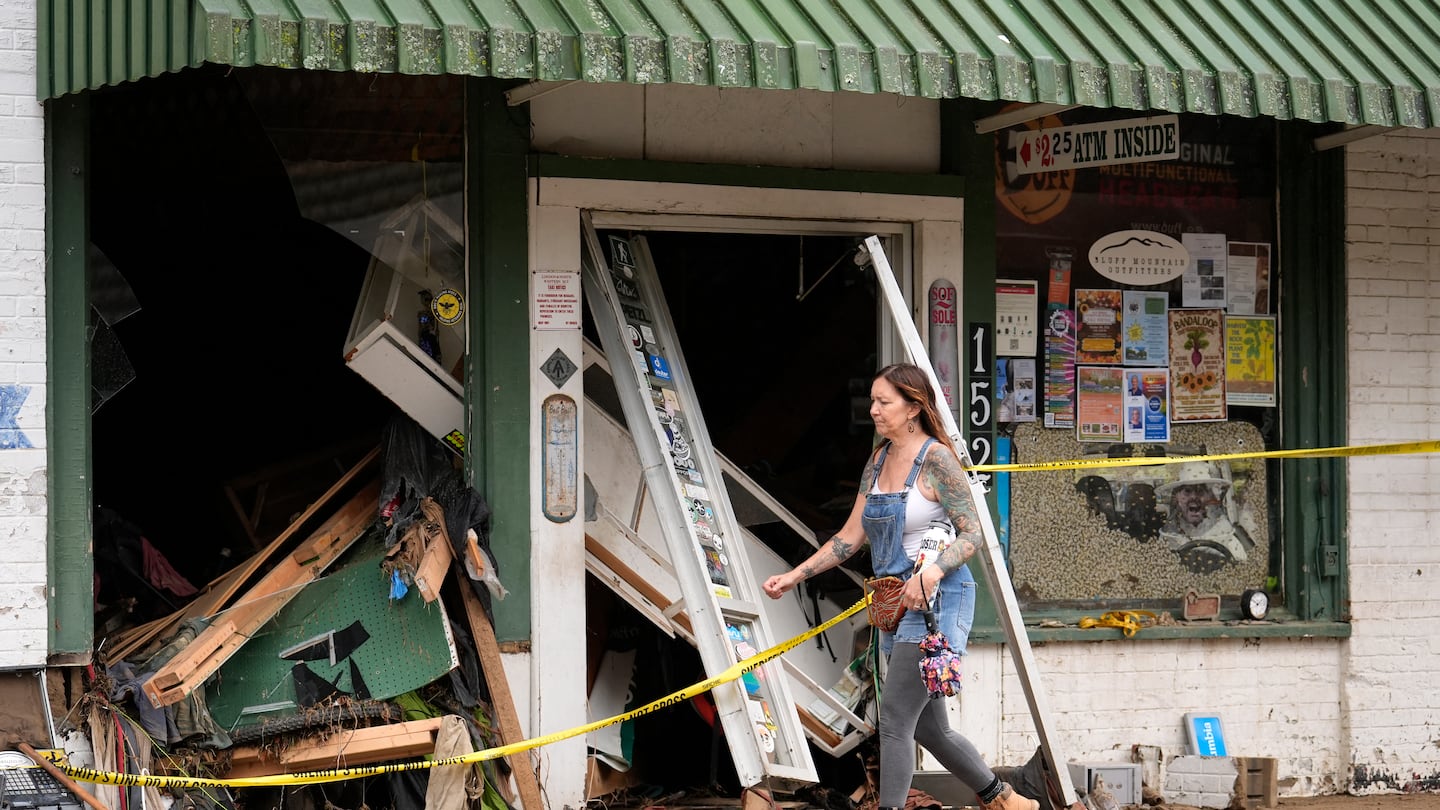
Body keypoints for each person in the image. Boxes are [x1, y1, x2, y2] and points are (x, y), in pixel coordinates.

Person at [762, 363, 1039, 810]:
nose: (873, 410)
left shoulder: (938, 461)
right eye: (872, 400)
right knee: (930, 729)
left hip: (939, 602)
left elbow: (973, 533)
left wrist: (930, 573)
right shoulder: (877, 461)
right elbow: (850, 536)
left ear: (913, 407)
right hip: (895, 604)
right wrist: (796, 574)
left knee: (893, 721)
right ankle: (1007, 800)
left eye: (883, 402)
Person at [1158, 462, 1254, 573]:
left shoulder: (1227, 536)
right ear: (1178, 498)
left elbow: (1241, 573)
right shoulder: (1167, 537)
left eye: (1200, 491)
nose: (1193, 497)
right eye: (1187, 491)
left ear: (1210, 496)